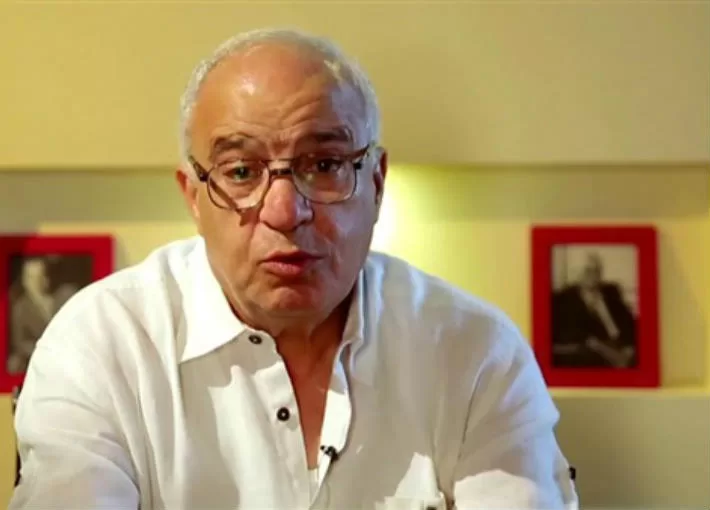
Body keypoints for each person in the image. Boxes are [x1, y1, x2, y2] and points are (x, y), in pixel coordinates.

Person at [10, 28, 578, 509]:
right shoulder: (102, 344)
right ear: (193, 197)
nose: (284, 211)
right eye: (240, 171)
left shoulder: (473, 352)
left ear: (377, 183)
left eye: (325, 164)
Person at [552, 252, 637, 368]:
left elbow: (628, 322)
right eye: (588, 270)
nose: (593, 275)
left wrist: (629, 346)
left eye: (597, 270)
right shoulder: (564, 298)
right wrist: (602, 348)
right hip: (596, 349)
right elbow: (569, 333)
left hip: (620, 343)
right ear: (576, 273)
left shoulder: (611, 292)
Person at [7, 257, 76, 374]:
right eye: (31, 277)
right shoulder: (20, 308)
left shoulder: (66, 295)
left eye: (41, 275)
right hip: (37, 356)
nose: (37, 281)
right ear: (24, 280)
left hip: (68, 352)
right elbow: (21, 342)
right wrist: (46, 349)